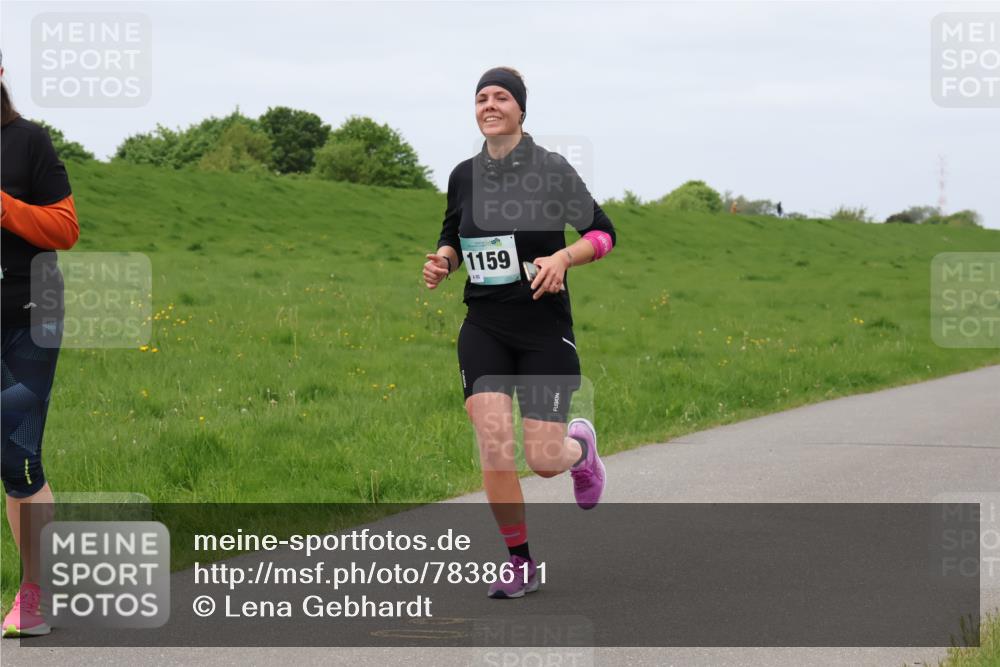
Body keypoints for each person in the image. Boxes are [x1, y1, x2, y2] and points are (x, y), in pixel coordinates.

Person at [422, 67, 617, 599]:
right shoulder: (464, 174)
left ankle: (580, 450)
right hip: (484, 324)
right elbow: (452, 233)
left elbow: (603, 231)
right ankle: (519, 562)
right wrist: (443, 260)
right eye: (481, 97)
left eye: (501, 96)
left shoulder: (551, 170)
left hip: (542, 329)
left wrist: (562, 256)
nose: (489, 104)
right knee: (493, 444)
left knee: (543, 460)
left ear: (521, 110)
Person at [1, 49, 80, 637]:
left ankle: (35, 596)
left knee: (15, 455)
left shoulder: (29, 142)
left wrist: (2, 207)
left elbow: (65, 228)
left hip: (30, 312)